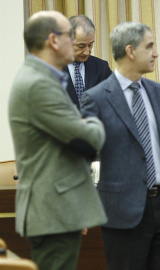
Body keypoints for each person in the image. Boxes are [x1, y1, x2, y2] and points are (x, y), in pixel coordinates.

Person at [81, 22, 160, 270]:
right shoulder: (96, 98)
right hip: (123, 212)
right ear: (131, 51)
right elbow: (81, 157)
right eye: (150, 46)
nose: (155, 53)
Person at [9, 11, 107, 270]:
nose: (83, 49)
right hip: (53, 209)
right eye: (71, 38)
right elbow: (86, 140)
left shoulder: (43, 77)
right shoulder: (40, 84)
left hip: (60, 206)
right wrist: (96, 121)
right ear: (54, 40)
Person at [64, 15, 112, 109]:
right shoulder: (51, 68)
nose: (87, 52)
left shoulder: (101, 67)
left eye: (90, 45)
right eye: (81, 46)